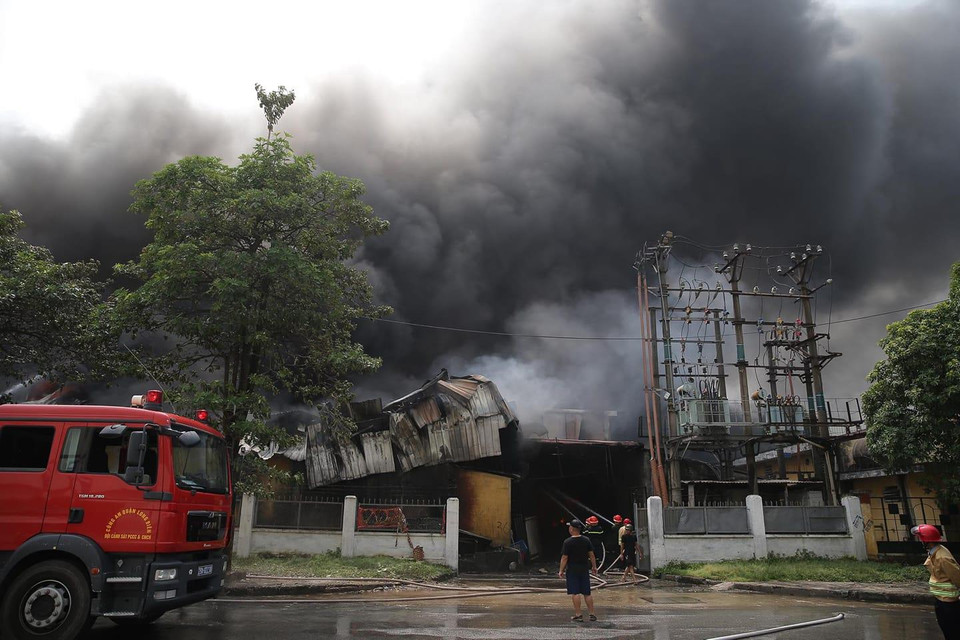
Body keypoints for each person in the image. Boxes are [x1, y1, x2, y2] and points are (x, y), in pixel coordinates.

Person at [913, 524, 960, 639]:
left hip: (949, 602)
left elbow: (957, 576)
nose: (920, 542)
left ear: (927, 541)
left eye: (921, 539)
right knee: (946, 629)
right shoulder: (934, 552)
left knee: (952, 631)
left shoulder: (942, 557)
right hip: (941, 599)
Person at [558, 518, 598, 622]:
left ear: (572, 528)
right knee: (587, 593)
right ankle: (592, 614)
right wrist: (594, 567)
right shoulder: (586, 540)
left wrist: (561, 570)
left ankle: (578, 614)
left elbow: (564, 557)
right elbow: (591, 555)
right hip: (584, 569)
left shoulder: (567, 542)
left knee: (575, 592)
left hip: (572, 570)